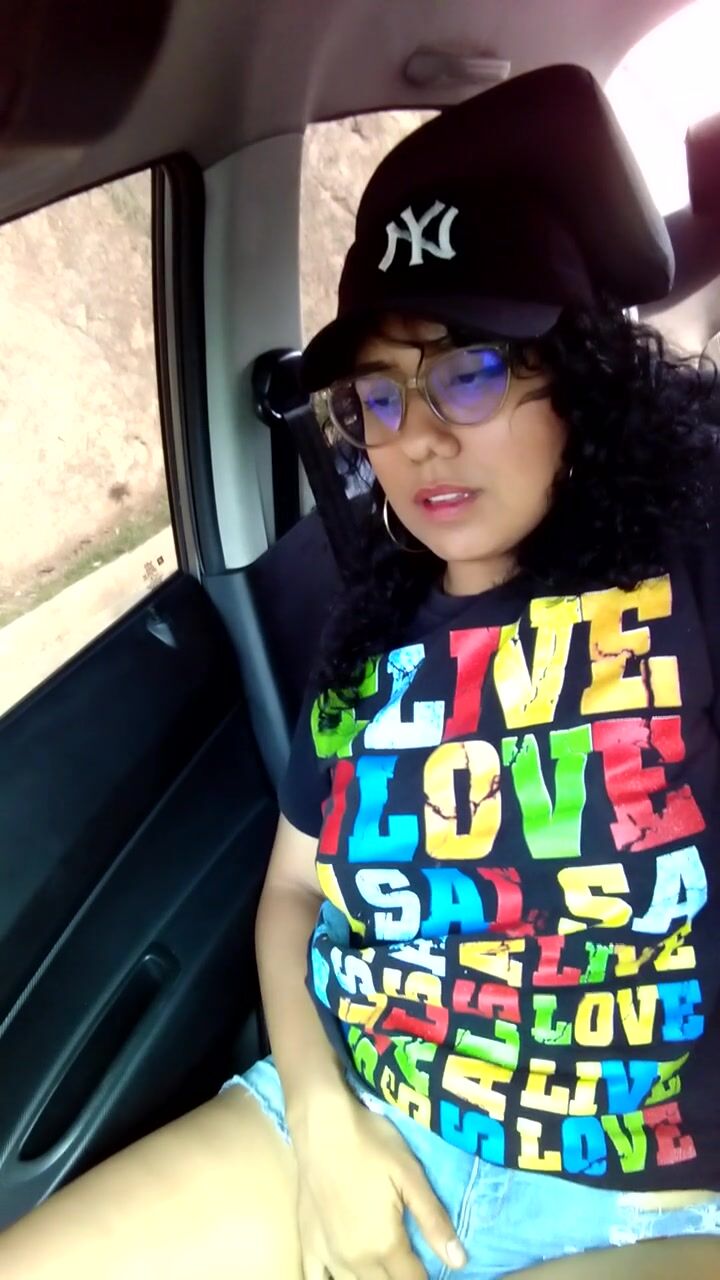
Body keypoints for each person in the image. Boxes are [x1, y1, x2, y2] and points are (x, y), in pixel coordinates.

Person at [3, 63, 720, 1280]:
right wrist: (325, 1119)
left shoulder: (688, 560)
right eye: (379, 396)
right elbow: (293, 894)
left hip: (640, 1200)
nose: (419, 436)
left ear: (581, 378)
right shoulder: (372, 628)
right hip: (350, 1110)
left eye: (469, 372)